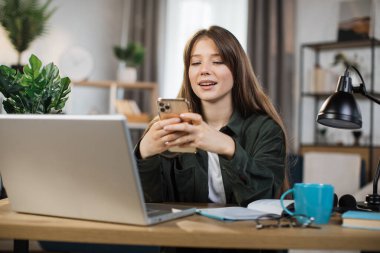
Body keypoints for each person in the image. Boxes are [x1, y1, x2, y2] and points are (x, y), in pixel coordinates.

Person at [135, 25, 288, 208]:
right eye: (196, 63)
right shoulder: (169, 129)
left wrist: (228, 147)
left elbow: (263, 200)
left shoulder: (266, 130)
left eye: (218, 61)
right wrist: (144, 154)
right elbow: (151, 205)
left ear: (237, 70)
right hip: (185, 234)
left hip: (246, 235)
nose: (204, 70)